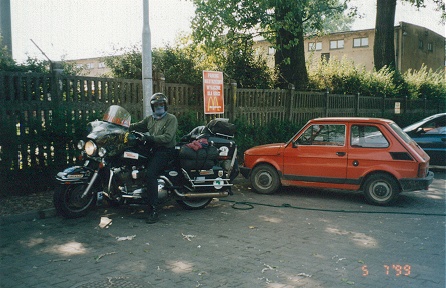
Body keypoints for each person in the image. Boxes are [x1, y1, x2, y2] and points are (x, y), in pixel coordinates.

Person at [129, 93, 178, 223]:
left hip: (166, 151)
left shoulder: (171, 119)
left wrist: (149, 138)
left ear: (165, 105)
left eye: (161, 104)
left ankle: (153, 210)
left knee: (151, 174)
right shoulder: (150, 119)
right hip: (153, 149)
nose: (159, 107)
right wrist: (122, 126)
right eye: (156, 105)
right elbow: (137, 125)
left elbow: (167, 137)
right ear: (152, 106)